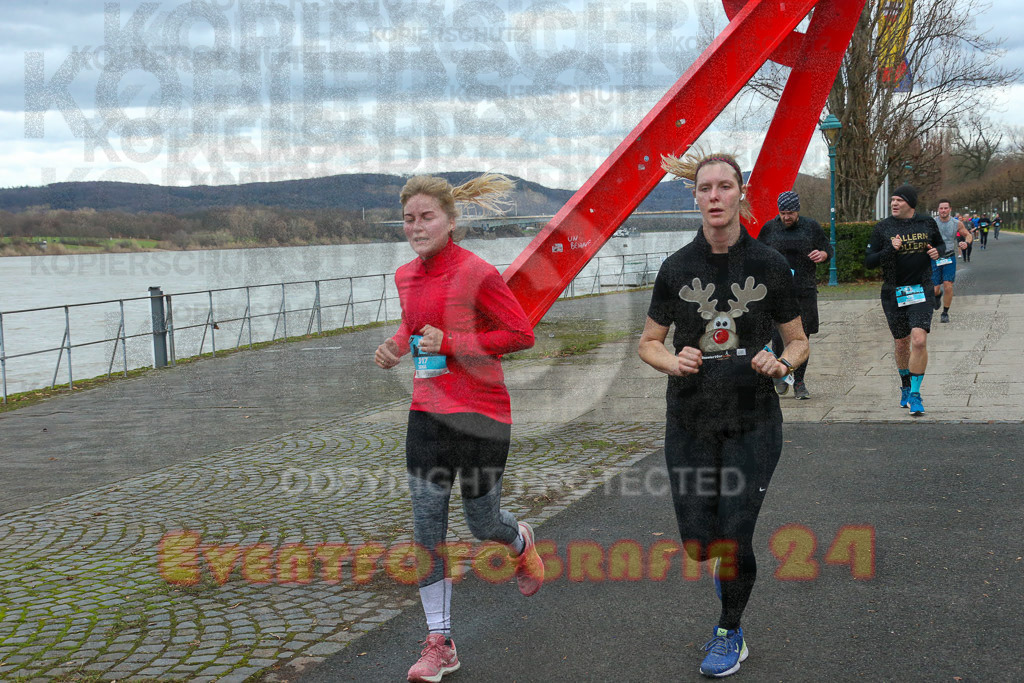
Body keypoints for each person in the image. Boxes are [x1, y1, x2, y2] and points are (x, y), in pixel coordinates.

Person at [638, 150, 808, 678]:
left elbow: (799, 341)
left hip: (752, 421)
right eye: (705, 188)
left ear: (741, 194)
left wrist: (779, 362)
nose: (714, 196)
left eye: (724, 187)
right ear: (695, 197)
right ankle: (723, 577)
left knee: (734, 535)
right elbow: (648, 343)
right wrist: (674, 359)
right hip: (688, 421)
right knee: (697, 545)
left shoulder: (770, 264)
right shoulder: (676, 268)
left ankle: (729, 630)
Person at [374, 173, 543, 683]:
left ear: (450, 220)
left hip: (481, 416)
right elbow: (411, 322)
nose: (417, 226)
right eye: (409, 219)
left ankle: (519, 540)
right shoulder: (405, 276)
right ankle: (440, 641)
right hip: (427, 413)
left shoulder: (478, 272)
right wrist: (395, 346)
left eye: (427, 217)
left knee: (481, 523)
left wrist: (451, 342)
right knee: (427, 528)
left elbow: (520, 334)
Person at [864, 184, 944, 416]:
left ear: (911, 203)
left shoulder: (927, 223)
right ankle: (906, 385)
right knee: (902, 342)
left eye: (899, 200)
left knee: (918, 340)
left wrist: (936, 251)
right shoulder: (883, 228)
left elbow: (939, 244)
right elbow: (869, 262)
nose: (894, 203)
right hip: (893, 292)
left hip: (921, 288)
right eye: (893, 200)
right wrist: (890, 249)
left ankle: (916, 395)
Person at [756, 190, 832, 399]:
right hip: (777, 293)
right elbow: (757, 254)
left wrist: (823, 254)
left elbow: (827, 249)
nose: (786, 217)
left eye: (790, 212)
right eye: (783, 212)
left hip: (804, 290)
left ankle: (799, 382)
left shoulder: (811, 227)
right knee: (778, 339)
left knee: (802, 338)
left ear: (797, 211)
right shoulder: (770, 229)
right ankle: (779, 376)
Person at [931, 200, 971, 324]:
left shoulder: (956, 223)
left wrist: (966, 242)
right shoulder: (932, 223)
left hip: (949, 257)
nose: (943, 210)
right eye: (941, 208)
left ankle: (945, 313)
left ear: (950, 209)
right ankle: (937, 296)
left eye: (945, 208)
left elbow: (968, 235)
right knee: (935, 289)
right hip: (935, 258)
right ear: (938, 210)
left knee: (948, 285)